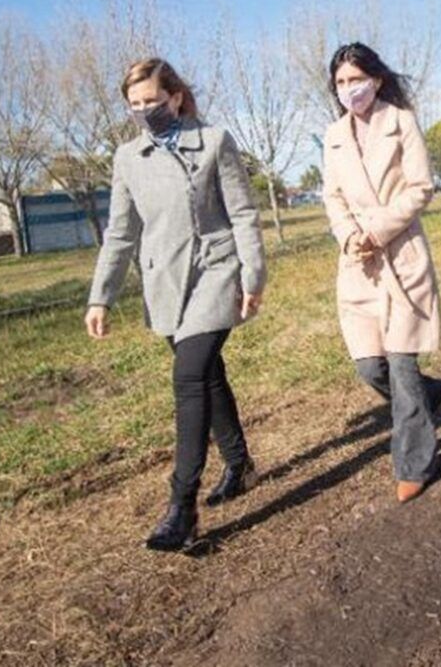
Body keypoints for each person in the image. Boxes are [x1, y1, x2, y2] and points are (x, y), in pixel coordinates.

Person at [86, 58, 267, 551]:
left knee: (189, 376)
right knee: (207, 375)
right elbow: (121, 232)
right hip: (165, 283)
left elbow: (244, 213)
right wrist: (100, 296)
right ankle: (240, 464)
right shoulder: (128, 159)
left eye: (153, 101)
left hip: (215, 270)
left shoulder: (214, 142)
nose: (146, 112)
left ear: (177, 98)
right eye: (135, 106)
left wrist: (252, 275)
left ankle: (181, 507)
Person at [321, 42, 441, 504]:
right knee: (370, 365)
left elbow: (420, 188)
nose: (349, 89)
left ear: (375, 79)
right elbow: (331, 196)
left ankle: (415, 461)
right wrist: (349, 235)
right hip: (358, 263)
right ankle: (430, 395)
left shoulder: (401, 122)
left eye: (356, 79)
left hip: (400, 252)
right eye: (340, 83)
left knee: (401, 361)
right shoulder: (334, 135)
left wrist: (377, 229)